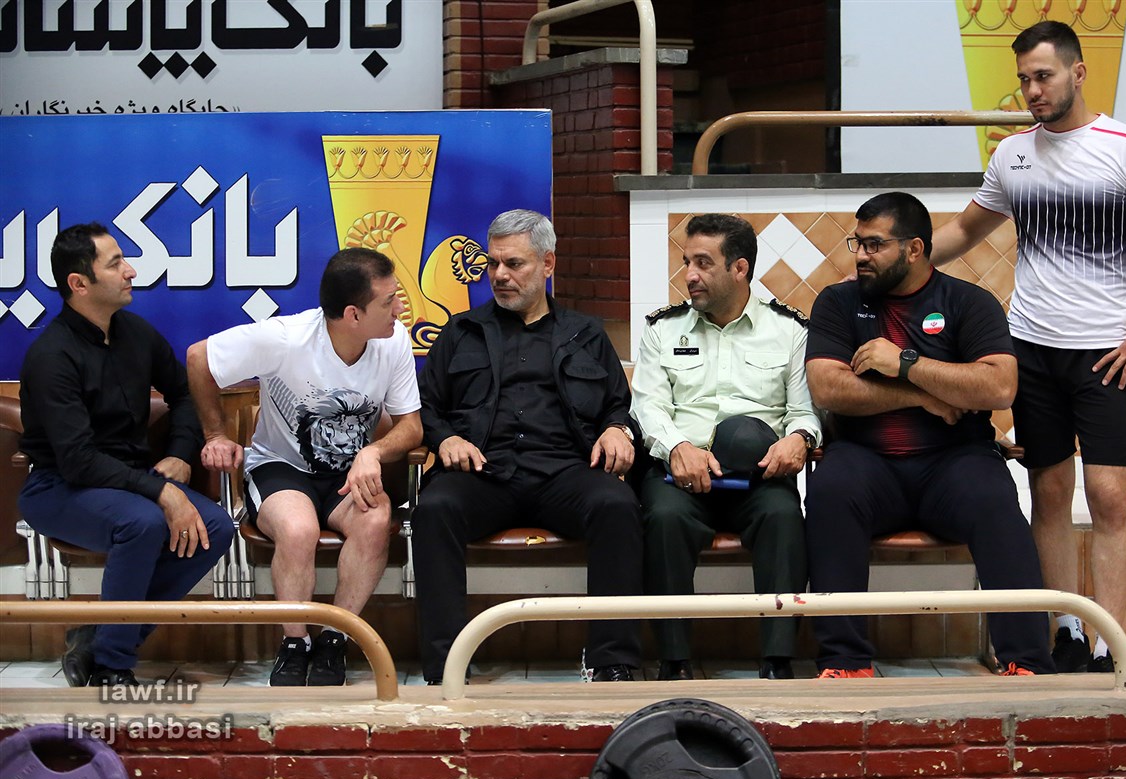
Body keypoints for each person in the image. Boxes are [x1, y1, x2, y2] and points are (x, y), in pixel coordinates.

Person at [931, 21, 1126, 673]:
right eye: (1024, 79)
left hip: (1108, 352)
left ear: (1078, 73)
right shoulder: (1012, 154)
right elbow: (965, 229)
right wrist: (896, 262)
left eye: (1044, 76)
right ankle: (1067, 632)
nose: (1032, 90)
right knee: (1049, 492)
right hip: (1031, 348)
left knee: (1108, 495)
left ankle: (1108, 644)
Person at [805, 192, 1055, 679]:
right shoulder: (838, 301)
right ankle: (845, 661)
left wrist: (905, 363)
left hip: (954, 459)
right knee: (831, 490)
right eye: (857, 243)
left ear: (914, 248)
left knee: (995, 500)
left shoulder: (967, 302)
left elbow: (999, 386)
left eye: (875, 244)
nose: (861, 255)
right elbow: (828, 387)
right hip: (866, 459)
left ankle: (1025, 662)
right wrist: (922, 396)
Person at [413, 209, 642, 685]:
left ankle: (610, 660)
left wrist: (616, 429)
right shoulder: (461, 332)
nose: (499, 275)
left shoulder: (585, 333)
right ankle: (445, 665)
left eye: (514, 264)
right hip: (484, 474)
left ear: (547, 263)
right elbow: (426, 406)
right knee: (434, 508)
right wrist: (447, 438)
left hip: (564, 472)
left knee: (617, 504)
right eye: (492, 263)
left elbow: (617, 404)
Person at [187, 248, 422, 686]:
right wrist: (215, 435)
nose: (400, 309)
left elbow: (411, 426)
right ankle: (294, 643)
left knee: (375, 520)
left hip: (349, 472)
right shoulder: (285, 338)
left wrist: (372, 453)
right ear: (353, 315)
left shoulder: (394, 341)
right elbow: (199, 358)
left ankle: (335, 638)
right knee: (298, 531)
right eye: (389, 301)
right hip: (281, 467)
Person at [18, 222, 234, 688]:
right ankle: (112, 667)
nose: (131, 271)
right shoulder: (52, 356)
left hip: (132, 480)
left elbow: (183, 393)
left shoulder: (136, 332)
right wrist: (162, 492)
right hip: (59, 486)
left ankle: (101, 638)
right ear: (79, 283)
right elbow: (78, 460)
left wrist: (180, 454)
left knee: (216, 527)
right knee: (143, 522)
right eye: (115, 264)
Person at [630, 213, 820, 680]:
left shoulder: (789, 330)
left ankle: (777, 660)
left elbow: (804, 410)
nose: (689, 275)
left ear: (739, 269)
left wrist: (799, 438)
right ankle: (674, 661)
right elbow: (647, 407)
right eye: (686, 262)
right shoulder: (663, 329)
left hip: (758, 474)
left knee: (783, 517)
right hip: (680, 472)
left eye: (703, 263)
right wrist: (677, 446)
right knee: (664, 519)